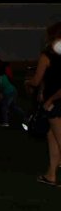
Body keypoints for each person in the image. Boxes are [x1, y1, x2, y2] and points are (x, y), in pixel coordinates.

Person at [31, 23, 61, 186]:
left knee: (59, 139)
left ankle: (52, 175)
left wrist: (29, 82)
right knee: (52, 138)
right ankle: (51, 174)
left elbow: (36, 80)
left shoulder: (47, 56)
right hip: (55, 101)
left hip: (55, 103)